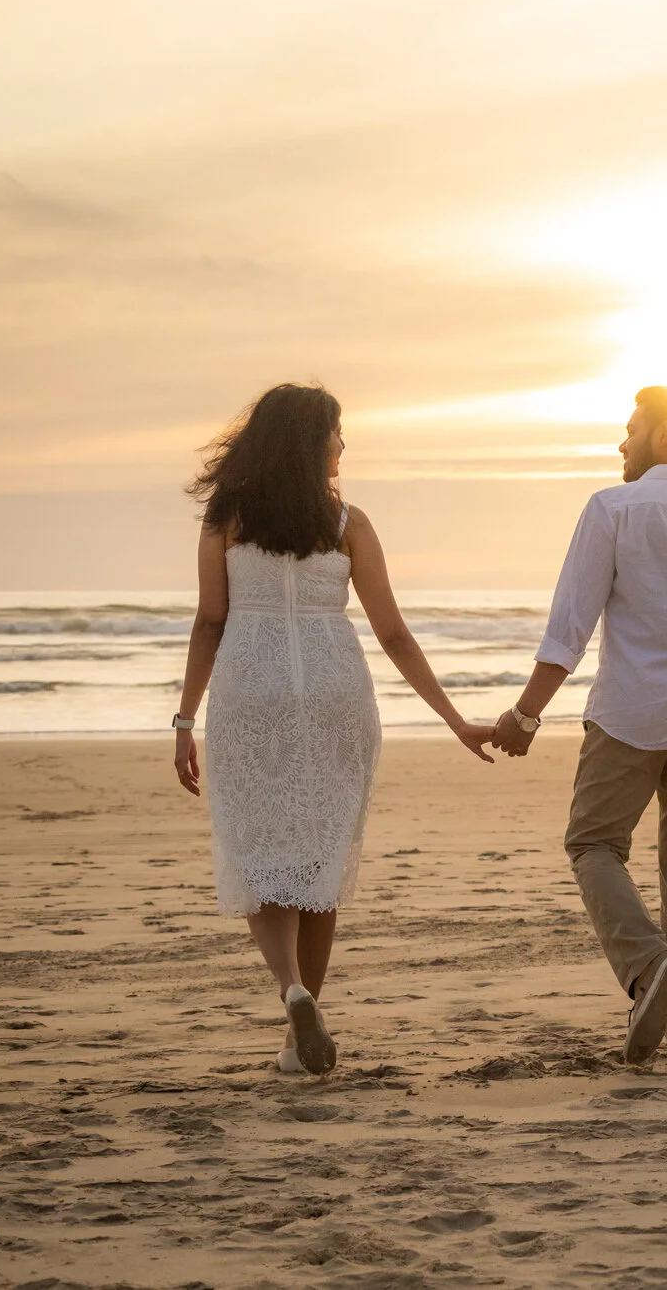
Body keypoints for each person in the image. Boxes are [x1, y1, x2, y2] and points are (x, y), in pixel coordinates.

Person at [173, 383, 496, 1075]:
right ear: (310, 441)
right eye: (337, 433)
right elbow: (394, 632)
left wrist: (183, 717)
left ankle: (291, 992)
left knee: (258, 852)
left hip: (250, 693)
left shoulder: (225, 519)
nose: (343, 445)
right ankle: (301, 1028)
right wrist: (454, 718)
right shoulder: (350, 521)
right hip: (336, 694)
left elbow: (209, 621)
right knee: (318, 858)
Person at [490, 385, 667, 1067]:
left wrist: (526, 713)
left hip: (630, 715)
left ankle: (648, 969)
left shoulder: (611, 508)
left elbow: (570, 626)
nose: (622, 442)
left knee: (593, 844)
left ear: (665, 436)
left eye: (632, 428)